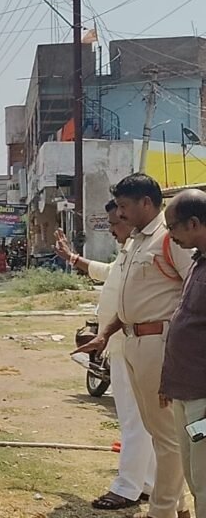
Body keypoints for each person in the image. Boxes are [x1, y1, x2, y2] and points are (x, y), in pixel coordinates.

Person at [75, 173, 193, 518]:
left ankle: (162, 510)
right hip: (131, 341)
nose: (120, 213)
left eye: (124, 206)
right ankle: (178, 506)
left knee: (167, 437)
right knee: (154, 431)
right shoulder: (138, 240)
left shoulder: (169, 238)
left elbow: (193, 292)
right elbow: (129, 298)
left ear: (146, 202)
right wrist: (105, 333)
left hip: (160, 343)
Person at [57, 200, 156, 509]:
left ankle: (127, 487)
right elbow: (109, 273)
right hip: (124, 343)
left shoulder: (153, 245)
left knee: (134, 419)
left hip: (137, 343)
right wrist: (73, 258)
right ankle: (147, 483)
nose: (112, 229)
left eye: (117, 221)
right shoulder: (132, 249)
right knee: (141, 420)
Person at [160, 189, 206, 518]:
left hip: (203, 398)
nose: (170, 236)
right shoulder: (197, 262)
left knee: (205, 481)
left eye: (172, 227)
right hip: (185, 392)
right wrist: (168, 381)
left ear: (193, 223)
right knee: (194, 476)